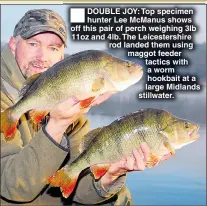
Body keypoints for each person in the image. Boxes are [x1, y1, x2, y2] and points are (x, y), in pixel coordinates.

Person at [1, 9, 151, 205]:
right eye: (33, 44)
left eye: (53, 48)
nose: (42, 56)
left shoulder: (70, 109)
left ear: (62, 57)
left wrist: (110, 175)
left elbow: (77, 188)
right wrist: (57, 125)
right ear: (13, 45)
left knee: (119, 198)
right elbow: (13, 187)